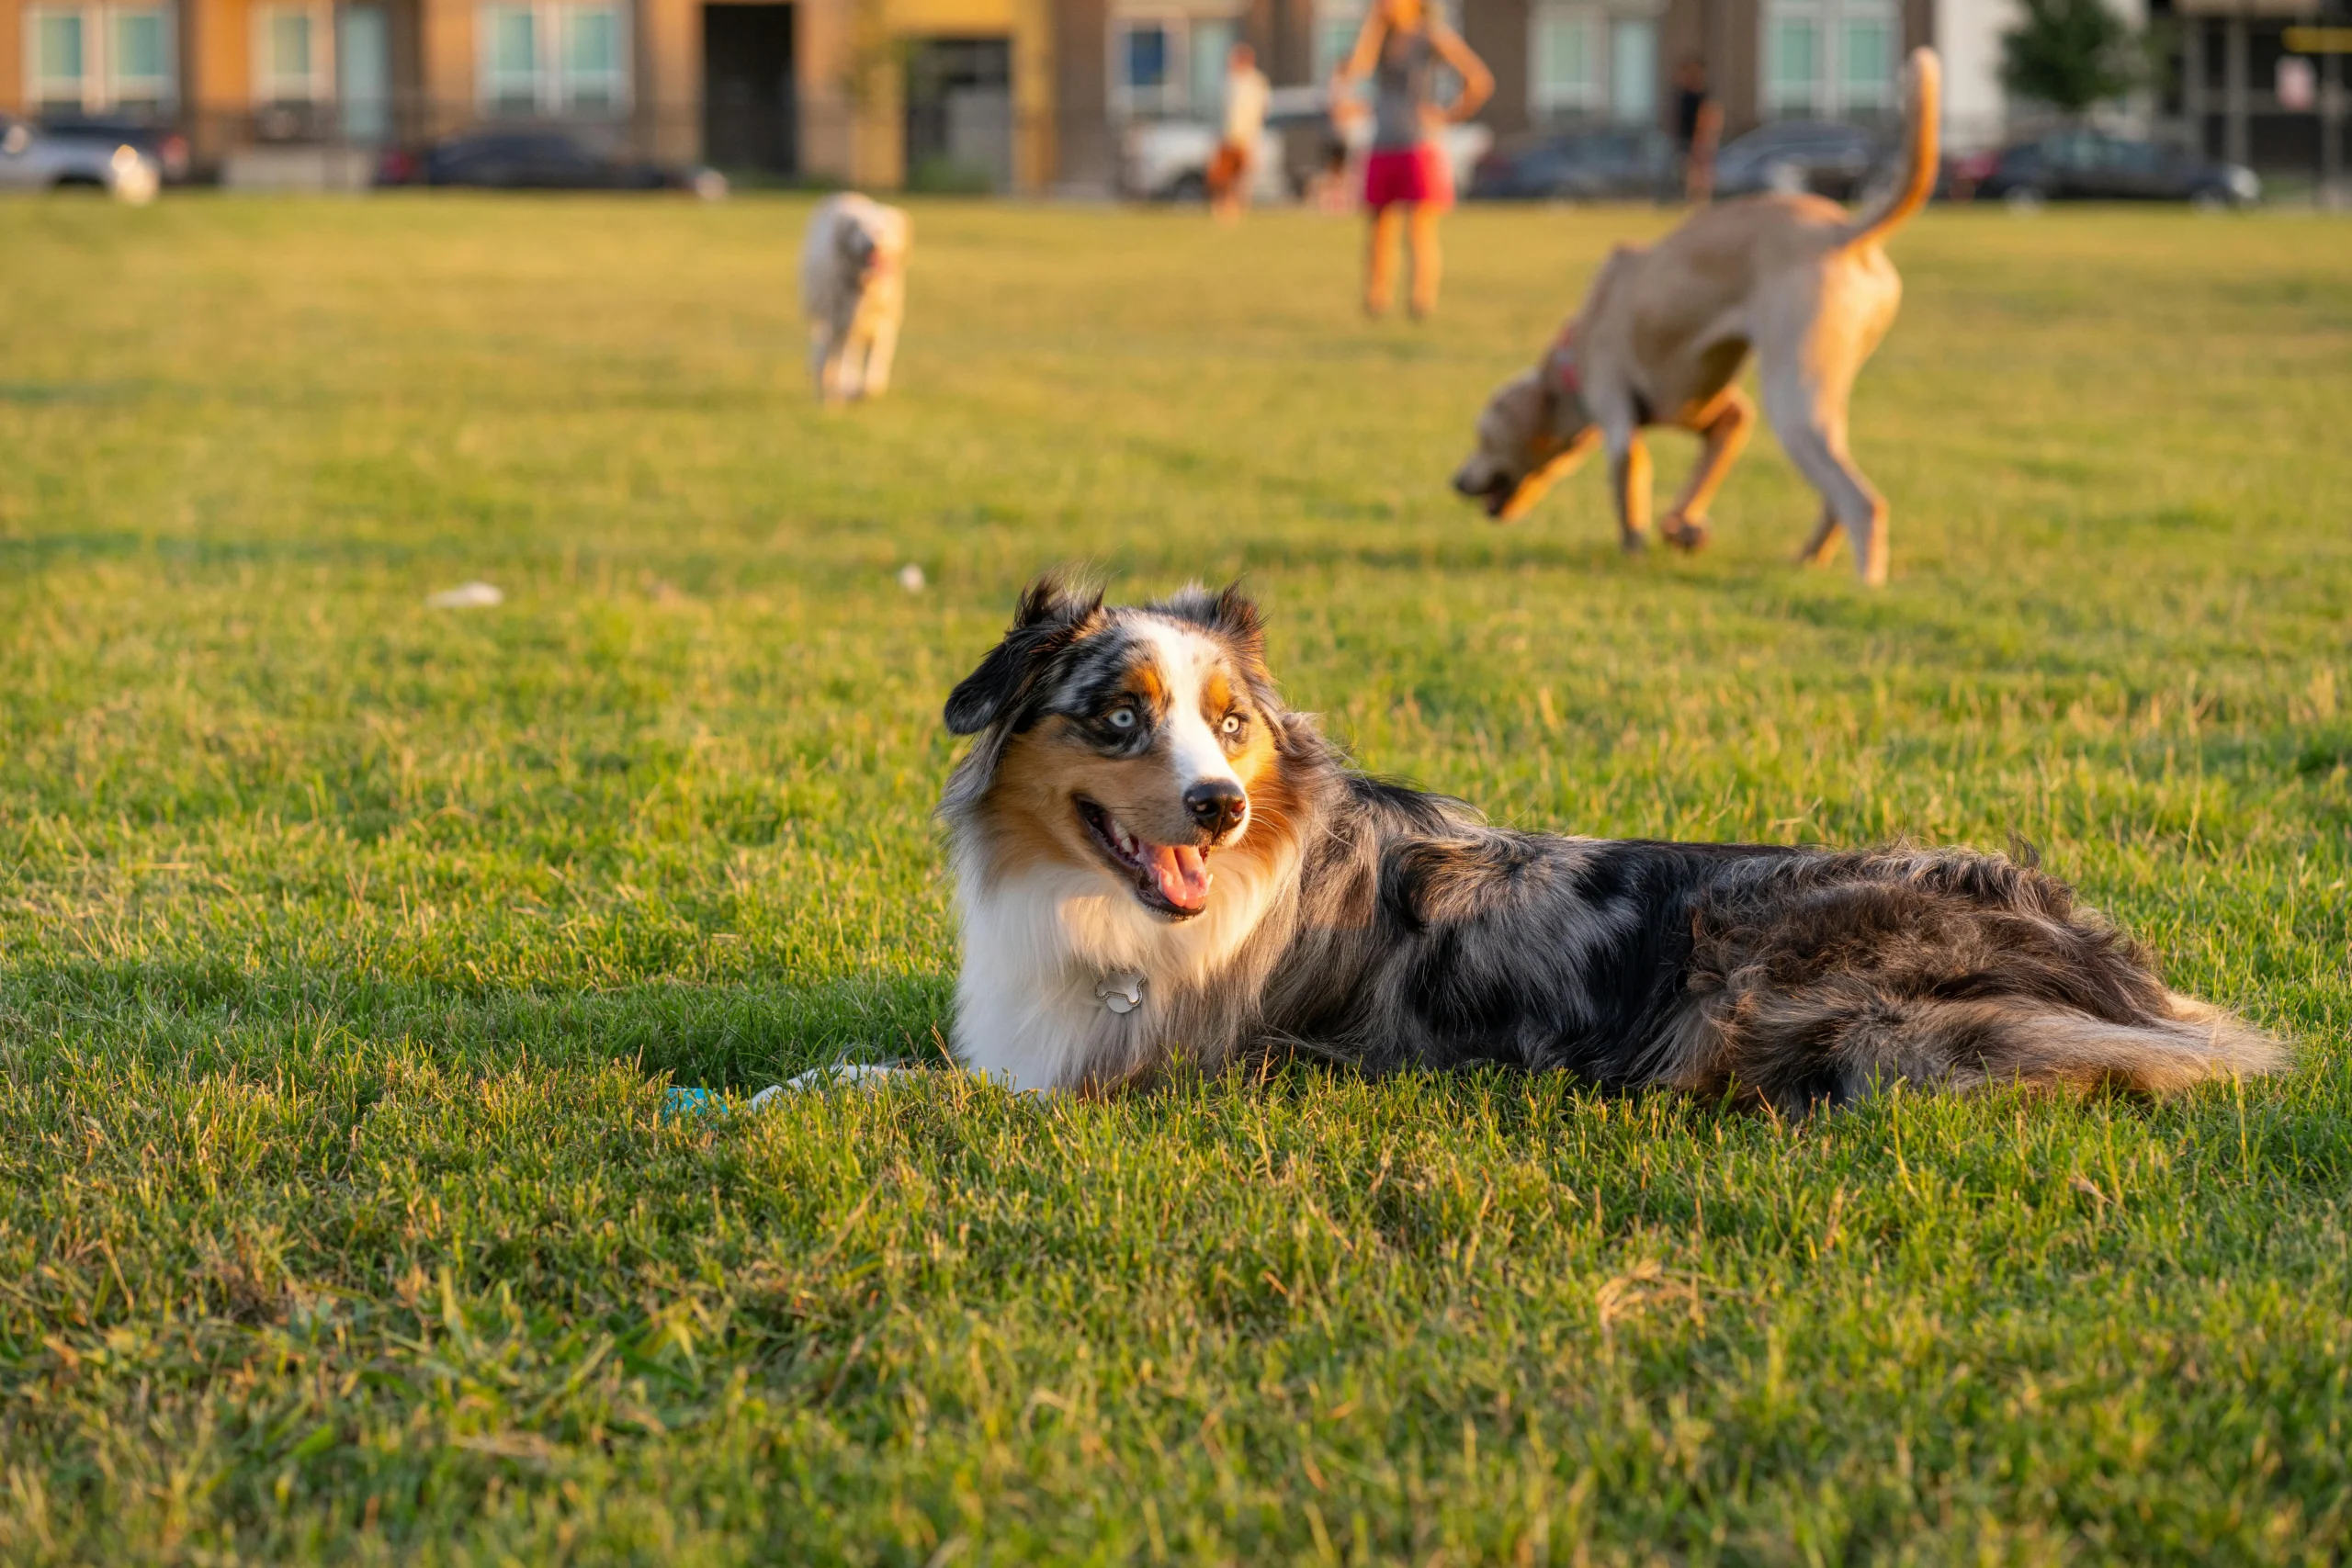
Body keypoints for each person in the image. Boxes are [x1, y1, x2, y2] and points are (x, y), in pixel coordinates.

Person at [1331, 0, 1491, 319]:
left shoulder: (1430, 35)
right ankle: (1376, 300)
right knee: (1378, 229)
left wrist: (1449, 116)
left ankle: (1421, 301)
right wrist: (1373, 27)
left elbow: (1478, 80)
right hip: (1382, 142)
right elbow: (1355, 70)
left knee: (1419, 228)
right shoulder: (1379, 36)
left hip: (1418, 145)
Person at [1210, 42, 1272, 222]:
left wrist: (1250, 135)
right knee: (1223, 175)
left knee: (1242, 175)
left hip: (1246, 136)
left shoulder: (1256, 83)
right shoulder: (1229, 82)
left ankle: (1239, 206)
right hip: (1229, 136)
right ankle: (1224, 205)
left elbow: (1259, 111)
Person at [1673, 56, 1724, 203]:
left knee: (1702, 169)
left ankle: (1703, 197)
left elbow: (1711, 115)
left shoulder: (1702, 96)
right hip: (1686, 138)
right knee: (1690, 170)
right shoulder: (1683, 94)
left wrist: (1705, 137)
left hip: (1699, 138)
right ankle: (1691, 197)